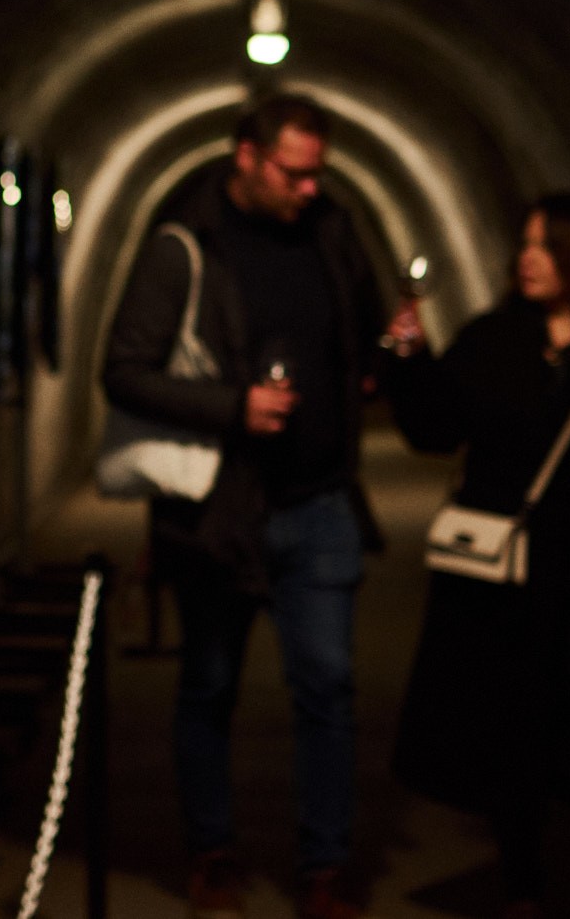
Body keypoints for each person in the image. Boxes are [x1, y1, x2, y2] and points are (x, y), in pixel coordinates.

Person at [103, 93, 383, 919]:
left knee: (328, 683)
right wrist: (235, 408)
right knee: (211, 680)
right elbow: (123, 369)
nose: (309, 188)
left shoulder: (332, 230)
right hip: (220, 509)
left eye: (317, 173)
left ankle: (325, 866)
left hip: (320, 496)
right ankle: (213, 851)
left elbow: (362, 332)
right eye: (293, 173)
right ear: (248, 158)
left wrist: (383, 358)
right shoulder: (184, 246)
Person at [384, 195, 570, 918]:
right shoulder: (495, 339)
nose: (527, 259)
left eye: (547, 247)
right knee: (511, 732)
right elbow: (434, 426)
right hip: (506, 579)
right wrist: (408, 359)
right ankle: (523, 883)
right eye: (525, 244)